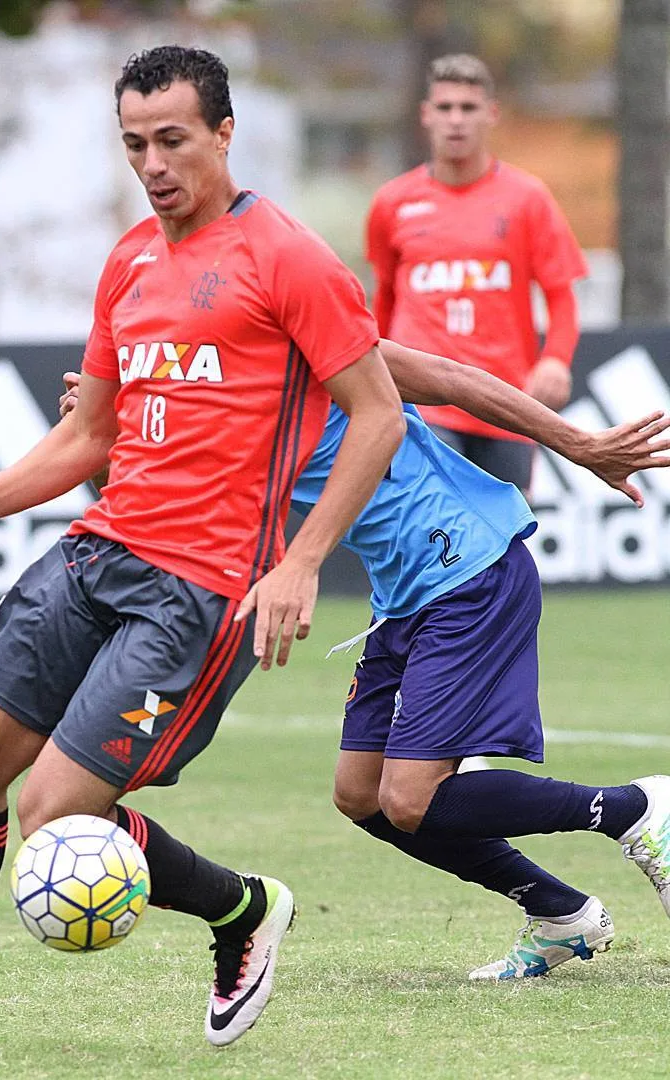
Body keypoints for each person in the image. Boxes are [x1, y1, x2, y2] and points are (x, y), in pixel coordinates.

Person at [0, 45, 407, 1061]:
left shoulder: (290, 257)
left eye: (173, 139)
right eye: (134, 143)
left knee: (53, 816)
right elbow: (90, 439)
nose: (153, 162)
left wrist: (300, 562)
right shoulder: (129, 259)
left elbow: (379, 414)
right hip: (98, 553)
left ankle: (244, 909)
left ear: (223, 132)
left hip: (199, 590)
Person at [62, 336, 670, 981]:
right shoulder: (208, 420)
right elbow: (147, 509)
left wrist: (577, 444)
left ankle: (635, 808)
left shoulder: (295, 343)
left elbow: (450, 379)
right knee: (362, 797)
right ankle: (560, 913)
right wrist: (98, 436)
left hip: (469, 564)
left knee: (409, 799)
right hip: (403, 595)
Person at [365, 53, 587, 493]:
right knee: (434, 535)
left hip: (505, 404)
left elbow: (561, 295)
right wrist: (374, 382)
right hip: (425, 408)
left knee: (506, 545)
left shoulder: (528, 199)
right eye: (445, 108)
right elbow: (384, 298)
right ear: (426, 116)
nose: (456, 120)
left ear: (491, 114)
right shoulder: (393, 203)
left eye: (468, 108)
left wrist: (557, 360)